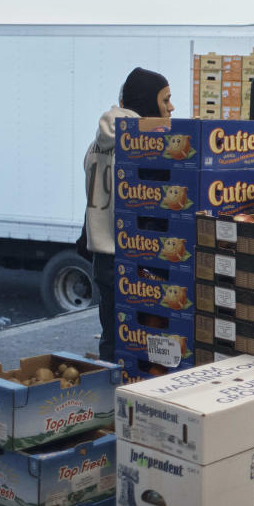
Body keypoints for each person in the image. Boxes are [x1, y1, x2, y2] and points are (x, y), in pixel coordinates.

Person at [84, 67, 174, 361]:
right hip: (137, 256)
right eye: (165, 100)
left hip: (103, 258)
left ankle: (110, 399)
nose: (171, 107)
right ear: (148, 102)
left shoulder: (96, 143)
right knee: (150, 343)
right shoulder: (144, 145)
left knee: (113, 338)